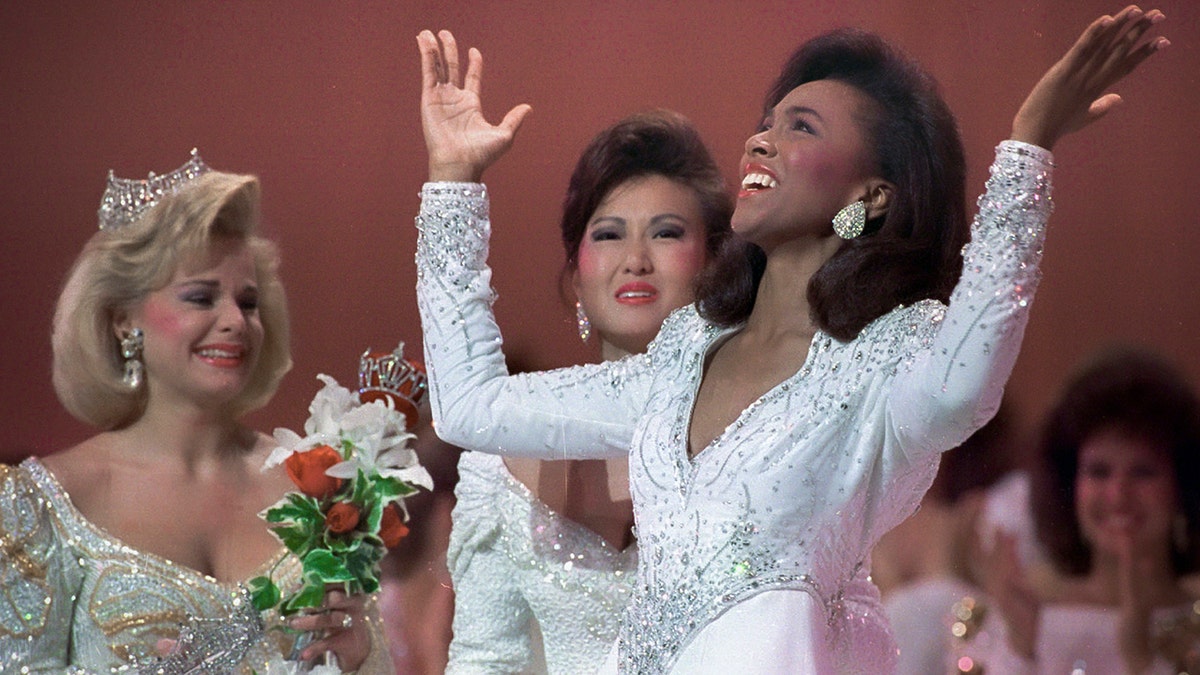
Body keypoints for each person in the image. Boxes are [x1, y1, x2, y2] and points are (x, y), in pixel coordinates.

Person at [412, 6, 1168, 673]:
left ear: (869, 197)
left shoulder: (889, 357)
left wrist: (1028, 147)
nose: (759, 142)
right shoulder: (679, 357)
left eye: (798, 126)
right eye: (766, 122)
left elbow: (967, 384)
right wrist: (452, 180)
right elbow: (470, 405)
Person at [0, 152, 393, 673]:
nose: (234, 321)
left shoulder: (315, 484)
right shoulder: (43, 505)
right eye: (201, 297)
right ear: (122, 320)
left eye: (248, 302)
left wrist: (363, 657)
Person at [443, 111, 732, 674]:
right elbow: (486, 659)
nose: (635, 260)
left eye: (667, 232)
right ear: (577, 278)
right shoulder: (499, 450)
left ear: (716, 264)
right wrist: (451, 175)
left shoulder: (751, 432)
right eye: (608, 234)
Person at [953, 348, 1200, 674]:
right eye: (1099, 472)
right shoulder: (1025, 618)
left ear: (1182, 487)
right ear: (1068, 489)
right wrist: (1021, 645)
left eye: (1142, 472)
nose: (1118, 494)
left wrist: (1142, 658)